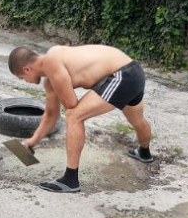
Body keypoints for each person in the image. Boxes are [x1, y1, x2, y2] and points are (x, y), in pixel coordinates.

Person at [8, 44, 153, 193]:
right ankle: (144, 152)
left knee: (74, 116)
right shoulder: (52, 70)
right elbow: (51, 115)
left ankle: (70, 180)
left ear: (27, 69)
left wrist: (63, 91)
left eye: (22, 78)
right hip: (134, 72)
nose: (25, 81)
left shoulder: (51, 61)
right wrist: (31, 142)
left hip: (122, 76)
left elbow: (71, 104)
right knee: (137, 119)